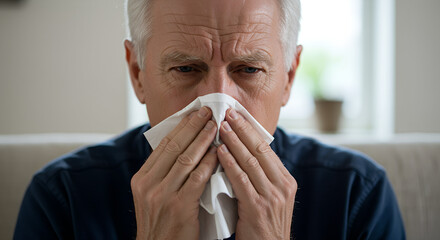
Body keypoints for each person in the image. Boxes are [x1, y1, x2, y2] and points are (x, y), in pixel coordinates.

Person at [14, 0, 405, 239]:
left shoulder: (358, 195)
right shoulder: (61, 198)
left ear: (288, 77)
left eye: (249, 69)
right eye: (186, 68)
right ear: (138, 74)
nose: (217, 106)